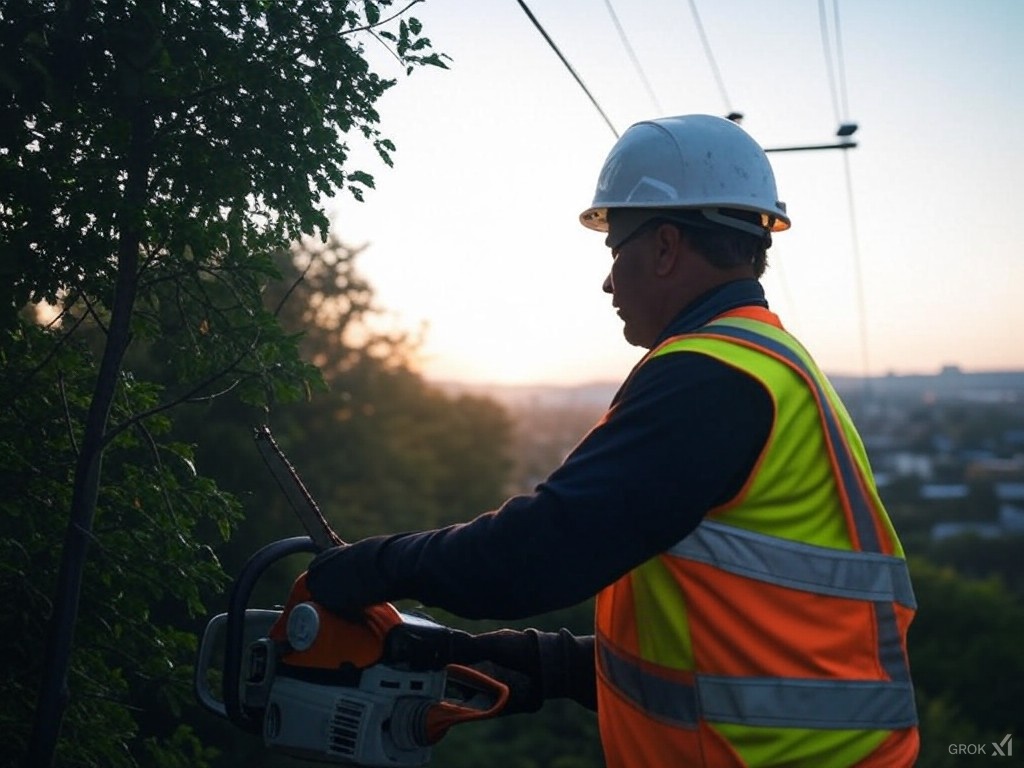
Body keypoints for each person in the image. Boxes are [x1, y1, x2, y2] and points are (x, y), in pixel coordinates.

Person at [306, 114, 919, 767]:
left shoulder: (710, 378)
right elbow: (745, 637)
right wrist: (557, 668)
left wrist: (371, 570)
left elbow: (543, 549)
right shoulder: (771, 365)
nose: (606, 281)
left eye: (614, 248)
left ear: (663, 247)